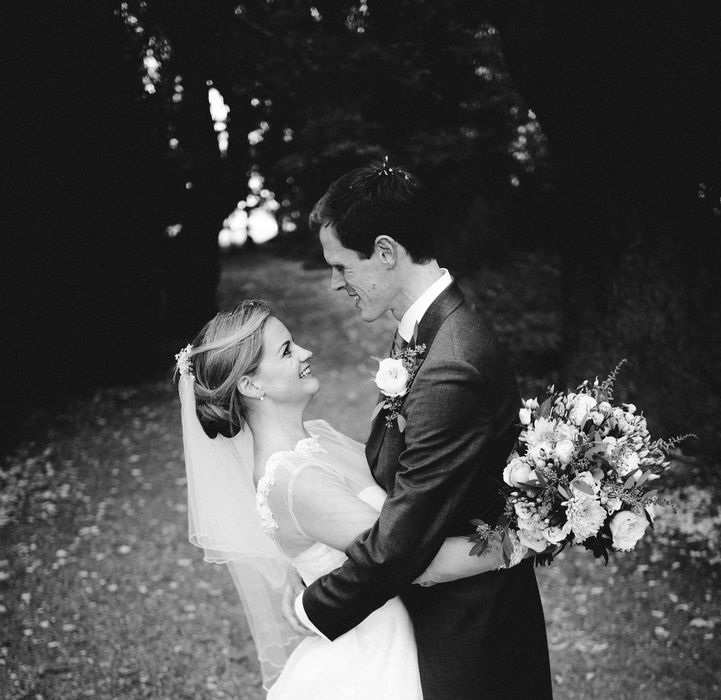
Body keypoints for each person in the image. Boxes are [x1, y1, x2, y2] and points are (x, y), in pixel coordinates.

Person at [285, 160, 552, 699]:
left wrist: (312, 607)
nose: (336, 283)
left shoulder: (451, 361)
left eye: (342, 266)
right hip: (442, 623)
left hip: (467, 642)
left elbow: (402, 541)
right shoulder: (426, 334)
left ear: (386, 252)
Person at [178, 299, 525, 698]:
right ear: (251, 385)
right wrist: (524, 540)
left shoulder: (317, 439)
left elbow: (395, 510)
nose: (306, 353)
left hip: (405, 627)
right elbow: (412, 561)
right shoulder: (294, 479)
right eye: (287, 351)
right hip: (376, 656)